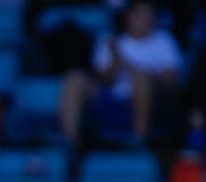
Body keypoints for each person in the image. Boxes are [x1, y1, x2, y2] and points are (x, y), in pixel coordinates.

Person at [58, 0, 183, 146]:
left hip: (150, 104)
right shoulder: (110, 41)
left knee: (141, 79)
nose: (147, 19)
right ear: (129, 16)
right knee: (74, 79)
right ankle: (68, 145)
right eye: (142, 14)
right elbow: (104, 79)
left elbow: (171, 79)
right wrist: (117, 60)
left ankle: (138, 141)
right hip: (110, 99)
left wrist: (135, 69)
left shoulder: (163, 41)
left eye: (150, 14)